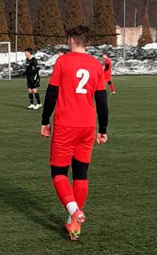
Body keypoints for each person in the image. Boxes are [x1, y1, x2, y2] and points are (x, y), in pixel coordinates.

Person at [40, 26, 109, 241]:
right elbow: (102, 101)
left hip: (66, 125)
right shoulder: (96, 65)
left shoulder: (63, 62)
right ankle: (74, 224)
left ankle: (74, 212)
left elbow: (51, 94)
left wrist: (45, 121)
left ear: (71, 40)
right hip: (87, 126)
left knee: (59, 173)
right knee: (81, 174)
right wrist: (103, 129)